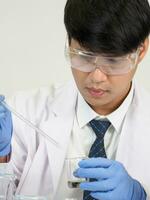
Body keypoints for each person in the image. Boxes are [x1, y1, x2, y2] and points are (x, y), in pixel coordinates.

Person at [0, 0, 150, 199]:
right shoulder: (22, 113)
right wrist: (2, 157)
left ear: (141, 51)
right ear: (68, 41)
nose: (96, 77)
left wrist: (140, 196)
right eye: (84, 57)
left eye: (113, 61)